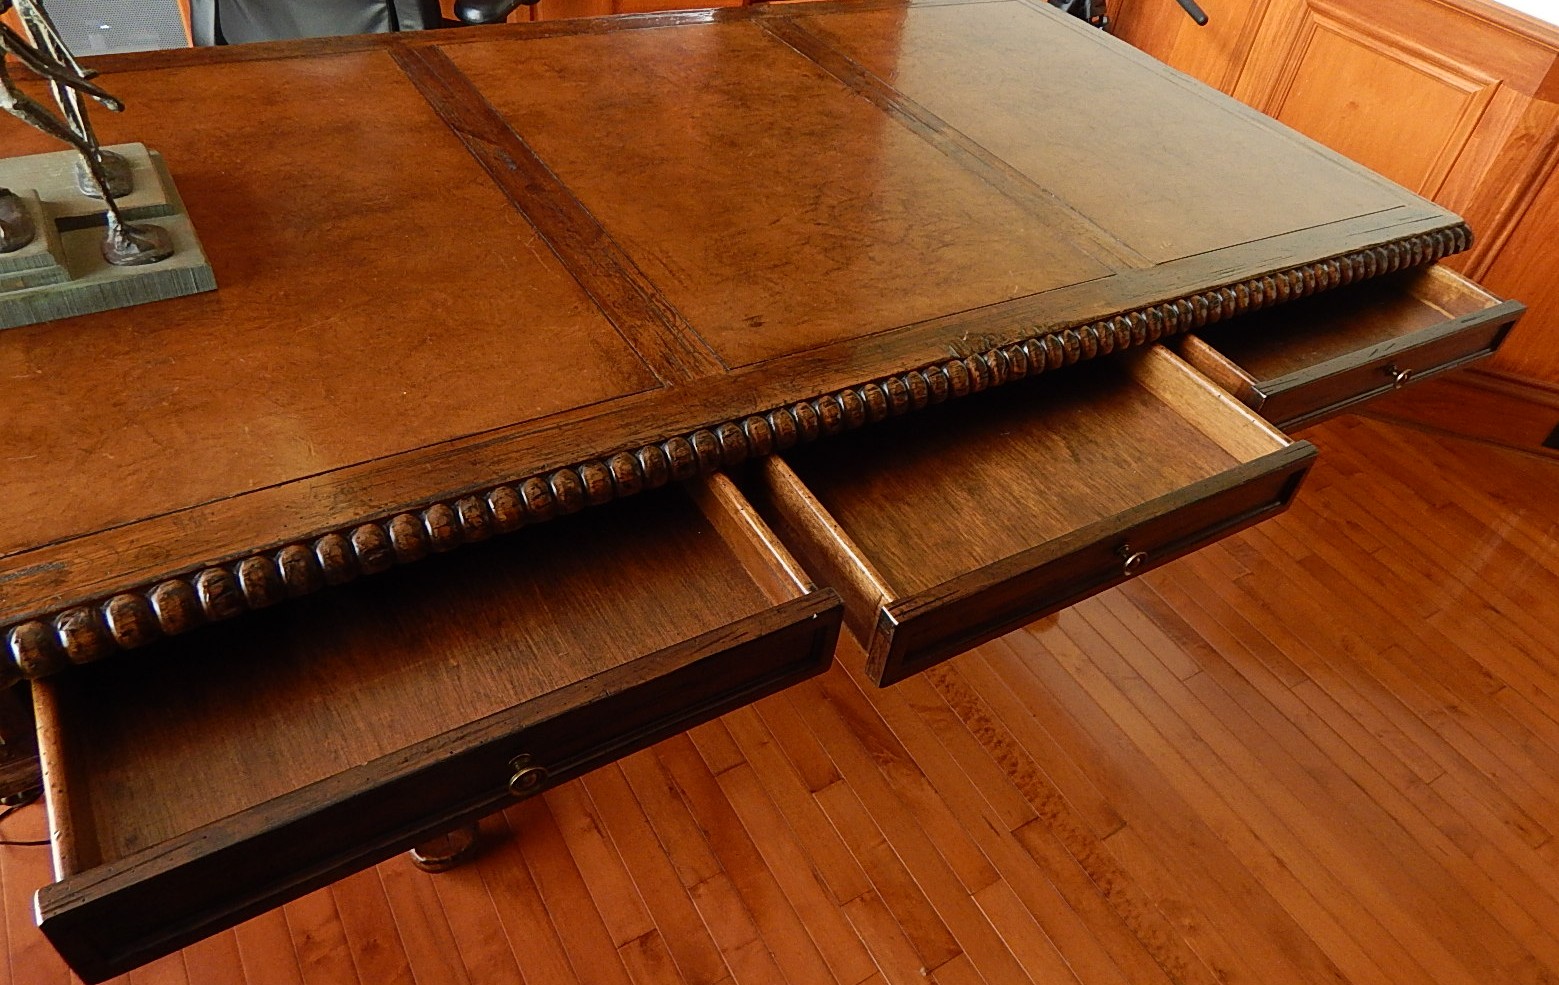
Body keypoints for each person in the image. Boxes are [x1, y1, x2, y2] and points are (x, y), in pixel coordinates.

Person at [0, 0, 171, 265]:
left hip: (12, 98)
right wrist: (99, 94)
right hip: (12, 101)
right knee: (83, 147)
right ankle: (119, 230)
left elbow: (46, 61)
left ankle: (117, 225)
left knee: (85, 149)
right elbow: (44, 66)